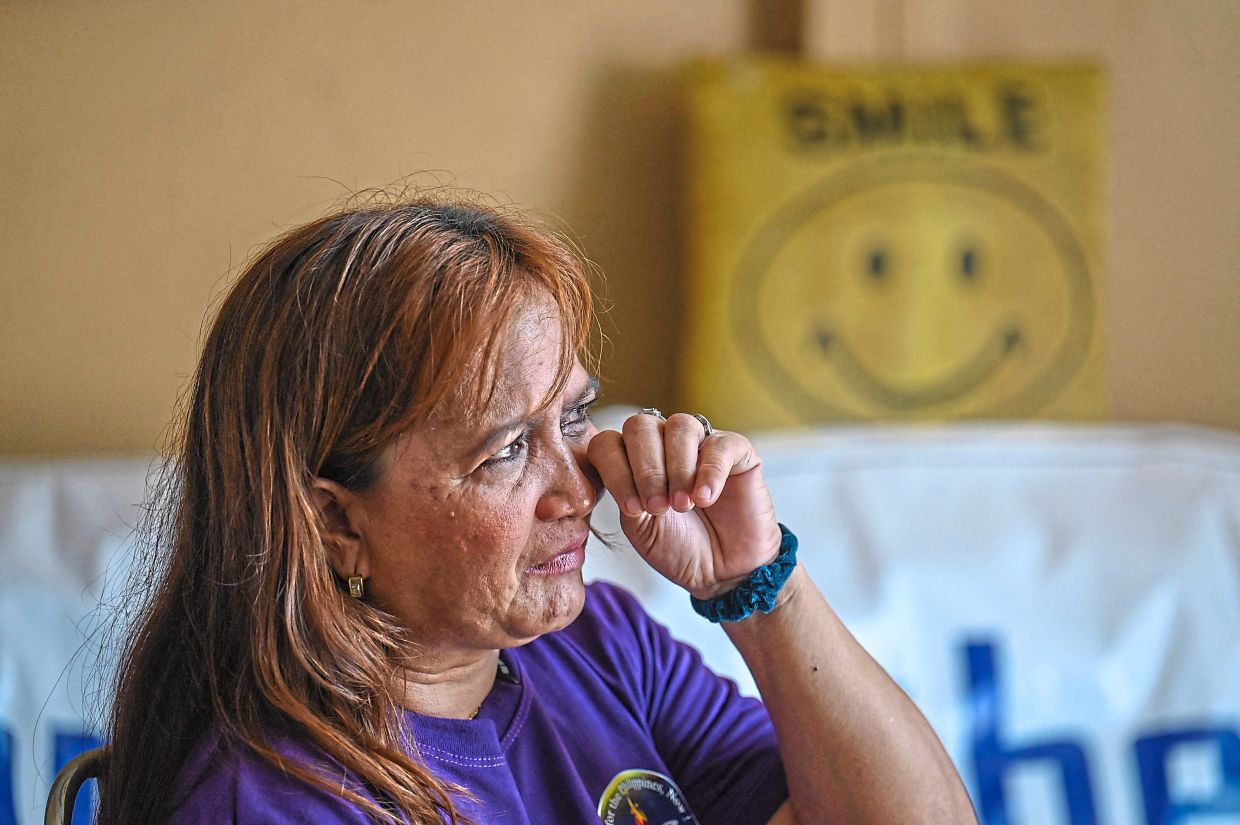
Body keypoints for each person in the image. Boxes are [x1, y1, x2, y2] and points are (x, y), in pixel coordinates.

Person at [98, 196, 977, 824]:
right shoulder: (276, 798)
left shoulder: (599, 648)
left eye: (572, 417)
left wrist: (758, 582)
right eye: (507, 449)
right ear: (334, 521)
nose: (578, 486)